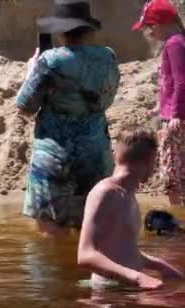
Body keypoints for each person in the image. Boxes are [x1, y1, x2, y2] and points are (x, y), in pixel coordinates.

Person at [16, 0, 120, 235]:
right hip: (96, 154)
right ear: (89, 29)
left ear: (61, 31)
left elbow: (24, 105)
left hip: (55, 157)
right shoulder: (108, 57)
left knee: (51, 232)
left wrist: (32, 70)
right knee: (94, 229)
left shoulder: (50, 61)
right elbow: (107, 100)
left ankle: (57, 272)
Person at [78, 127, 184, 290]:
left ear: (116, 155)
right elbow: (85, 255)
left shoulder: (128, 196)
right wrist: (138, 277)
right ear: (149, 161)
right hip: (107, 296)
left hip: (126, 289)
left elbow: (122, 251)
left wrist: (159, 265)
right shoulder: (105, 193)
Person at [133, 0, 185, 206]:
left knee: (171, 177)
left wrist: (176, 114)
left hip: (175, 122)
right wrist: (159, 107)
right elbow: (172, 83)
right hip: (172, 116)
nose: (148, 32)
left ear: (161, 23)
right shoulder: (177, 42)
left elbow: (182, 81)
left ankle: (177, 224)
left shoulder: (174, 44)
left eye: (149, 26)